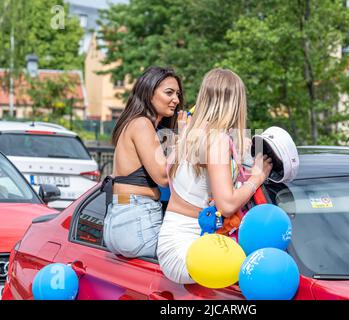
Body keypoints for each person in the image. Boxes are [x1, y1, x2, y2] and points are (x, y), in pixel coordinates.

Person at [157, 68, 273, 284]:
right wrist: (257, 178)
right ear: (235, 103)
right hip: (189, 250)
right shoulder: (217, 140)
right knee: (259, 272)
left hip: (175, 241)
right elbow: (227, 205)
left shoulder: (190, 134)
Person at [103, 66, 187, 259]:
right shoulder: (141, 124)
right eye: (169, 93)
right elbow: (164, 177)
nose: (176, 99)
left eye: (178, 94)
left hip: (122, 217)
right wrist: (185, 136)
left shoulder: (134, 123)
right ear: (149, 93)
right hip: (137, 220)